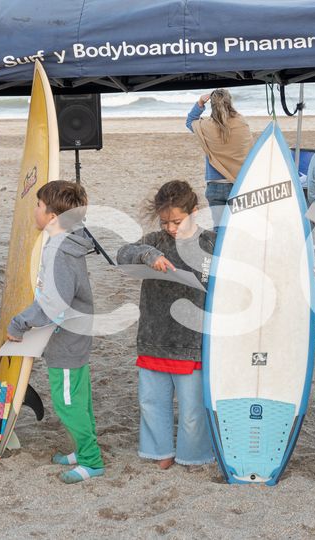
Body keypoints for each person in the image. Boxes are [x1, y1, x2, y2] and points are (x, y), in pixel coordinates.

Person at [6, 181, 104, 484]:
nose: (35, 210)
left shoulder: (60, 251)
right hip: (73, 336)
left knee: (68, 403)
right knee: (79, 398)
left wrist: (19, 323)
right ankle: (83, 449)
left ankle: (91, 461)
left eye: (38, 205)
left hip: (67, 341)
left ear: (51, 216)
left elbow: (52, 304)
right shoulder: (65, 243)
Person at [117, 181, 216, 470]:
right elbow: (123, 253)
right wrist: (147, 255)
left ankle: (193, 455)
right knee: (151, 402)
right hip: (154, 336)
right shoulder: (155, 242)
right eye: (164, 222)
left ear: (194, 212)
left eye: (177, 221)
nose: (170, 228)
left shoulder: (210, 242)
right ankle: (160, 451)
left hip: (192, 341)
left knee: (192, 409)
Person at [186, 88, 252, 229]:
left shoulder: (205, 126)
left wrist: (200, 102)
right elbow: (248, 150)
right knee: (238, 229)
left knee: (219, 229)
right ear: (230, 102)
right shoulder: (241, 122)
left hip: (215, 185)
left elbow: (190, 121)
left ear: (212, 105)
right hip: (238, 183)